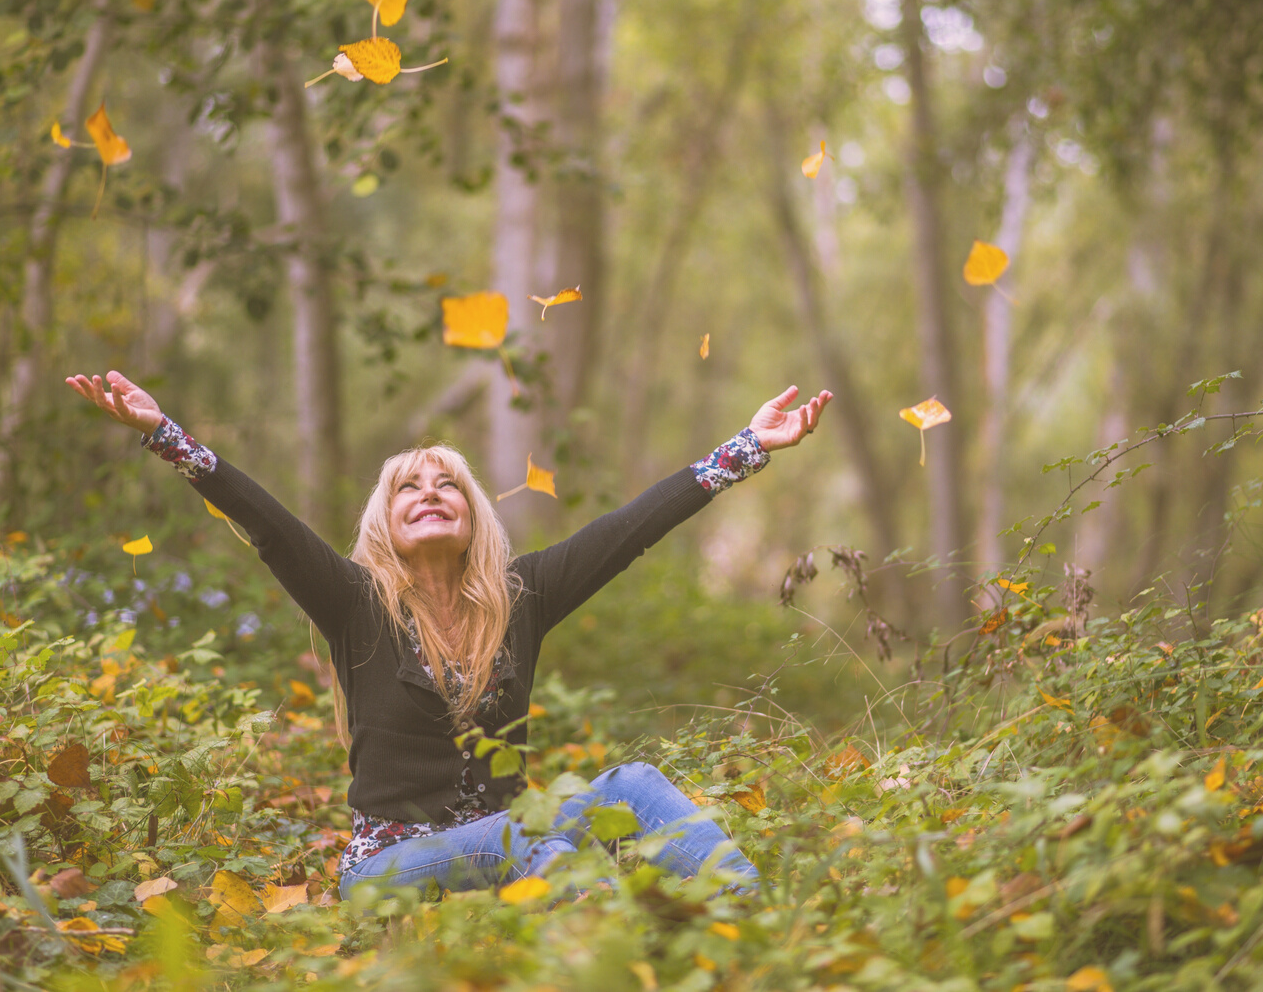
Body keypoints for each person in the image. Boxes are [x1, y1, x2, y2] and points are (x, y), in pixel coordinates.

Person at [66, 369, 831, 901]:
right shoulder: (355, 602)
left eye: (447, 485)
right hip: (390, 864)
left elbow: (629, 528)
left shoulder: (520, 597)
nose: (429, 492)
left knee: (625, 788)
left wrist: (748, 446)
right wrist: (164, 433)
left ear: (471, 517)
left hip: (513, 836)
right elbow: (265, 523)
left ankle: (749, 920)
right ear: (384, 522)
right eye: (409, 486)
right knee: (539, 844)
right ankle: (615, 945)